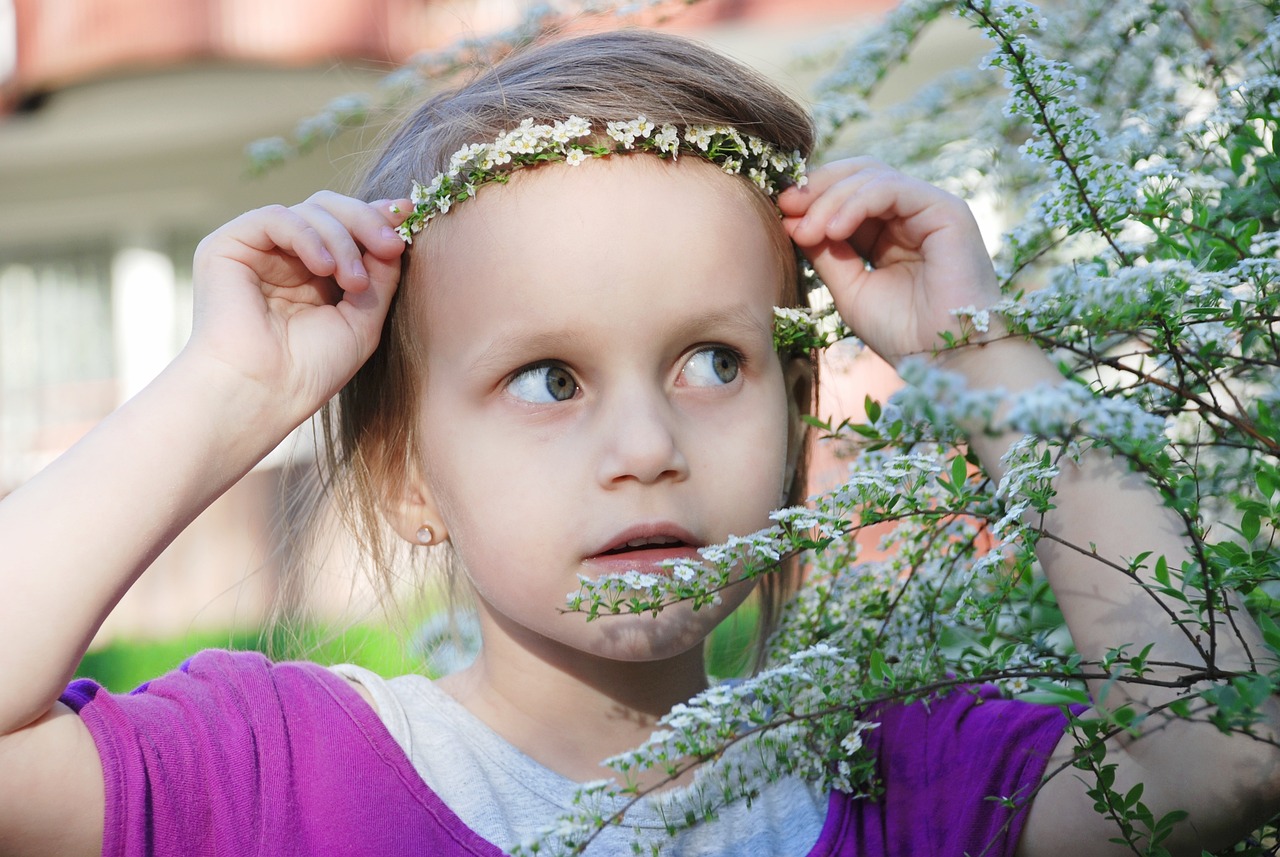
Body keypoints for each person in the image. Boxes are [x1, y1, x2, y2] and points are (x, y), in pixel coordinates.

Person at [0, 28, 1276, 857]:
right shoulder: (274, 779)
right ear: (404, 475)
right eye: (547, 377)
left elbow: (1222, 751)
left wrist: (985, 356)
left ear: (793, 422)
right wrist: (227, 387)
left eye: (712, 362)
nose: (644, 441)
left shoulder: (901, 783)